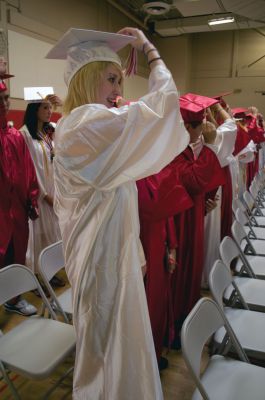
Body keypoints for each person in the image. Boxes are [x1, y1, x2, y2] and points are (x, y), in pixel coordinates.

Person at [46, 27, 189, 399]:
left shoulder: (89, 124)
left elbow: (122, 196)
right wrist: (150, 52)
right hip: (99, 263)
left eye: (119, 80)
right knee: (103, 353)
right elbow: (160, 110)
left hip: (113, 257)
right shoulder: (83, 125)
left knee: (118, 347)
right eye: (110, 79)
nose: (118, 90)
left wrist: (134, 251)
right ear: (87, 78)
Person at [170, 93, 225, 348]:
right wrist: (211, 146)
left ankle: (185, 318)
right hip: (176, 224)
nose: (202, 132)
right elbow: (192, 181)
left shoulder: (187, 151)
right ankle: (175, 324)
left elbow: (196, 187)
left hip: (191, 219)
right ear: (185, 127)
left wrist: (204, 204)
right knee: (180, 272)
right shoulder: (173, 154)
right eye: (198, 126)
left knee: (191, 267)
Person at [137, 165, 193, 370]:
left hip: (157, 242)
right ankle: (145, 360)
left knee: (157, 301)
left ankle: (154, 350)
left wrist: (172, 244)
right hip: (143, 244)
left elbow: (166, 209)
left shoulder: (153, 169)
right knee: (146, 304)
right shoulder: (133, 176)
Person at [0, 68, 39, 316]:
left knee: (17, 254)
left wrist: (32, 199)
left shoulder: (15, 137)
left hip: (17, 212)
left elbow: (29, 171)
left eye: (6, 99)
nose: (4, 104)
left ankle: (13, 300)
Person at [19, 89, 63, 287]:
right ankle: (37, 278)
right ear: (35, 108)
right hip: (39, 196)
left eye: (50, 107)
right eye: (45, 107)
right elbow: (31, 168)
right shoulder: (25, 135)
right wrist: (45, 195)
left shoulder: (47, 132)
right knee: (39, 235)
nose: (49, 111)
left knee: (52, 234)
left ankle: (49, 272)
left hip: (53, 192)